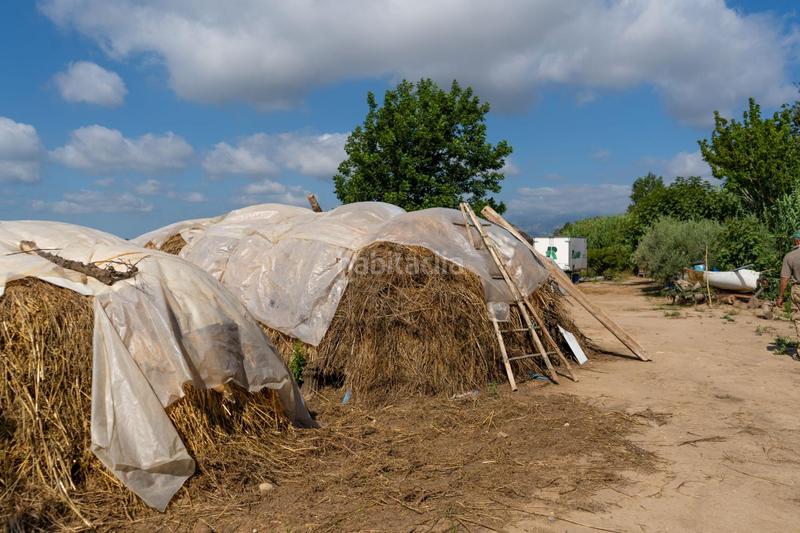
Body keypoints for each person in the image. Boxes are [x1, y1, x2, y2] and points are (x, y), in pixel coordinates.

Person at [776, 231, 800, 343]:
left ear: (797, 240)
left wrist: (780, 296)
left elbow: (784, 279)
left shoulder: (790, 256)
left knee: (799, 318)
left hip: (798, 290)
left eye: (794, 239)